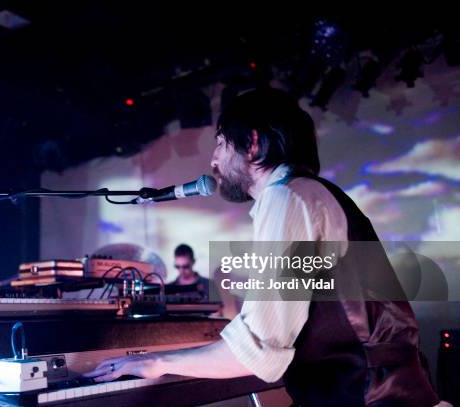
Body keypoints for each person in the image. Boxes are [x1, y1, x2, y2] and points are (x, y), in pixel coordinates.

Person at [84, 88, 439, 406]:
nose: (213, 160)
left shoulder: (288, 198)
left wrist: (154, 361)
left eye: (222, 143)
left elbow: (258, 351)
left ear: (252, 143)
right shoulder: (306, 195)